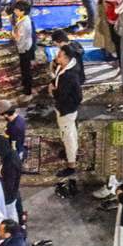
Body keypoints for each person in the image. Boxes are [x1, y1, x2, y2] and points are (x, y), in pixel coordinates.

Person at [50, 42, 83, 178]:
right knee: (70, 132)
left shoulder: (69, 76)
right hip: (66, 108)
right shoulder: (65, 67)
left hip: (66, 110)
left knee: (67, 136)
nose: (56, 57)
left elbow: (63, 95)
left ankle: (71, 165)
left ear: (66, 58)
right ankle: (72, 153)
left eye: (59, 55)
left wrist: (53, 91)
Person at [10, 0, 36, 96]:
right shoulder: (23, 18)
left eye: (16, 10)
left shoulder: (24, 23)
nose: (14, 11)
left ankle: (27, 90)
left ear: (22, 11)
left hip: (24, 49)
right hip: (25, 46)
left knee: (26, 69)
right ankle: (25, 83)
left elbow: (18, 38)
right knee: (24, 67)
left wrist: (13, 33)